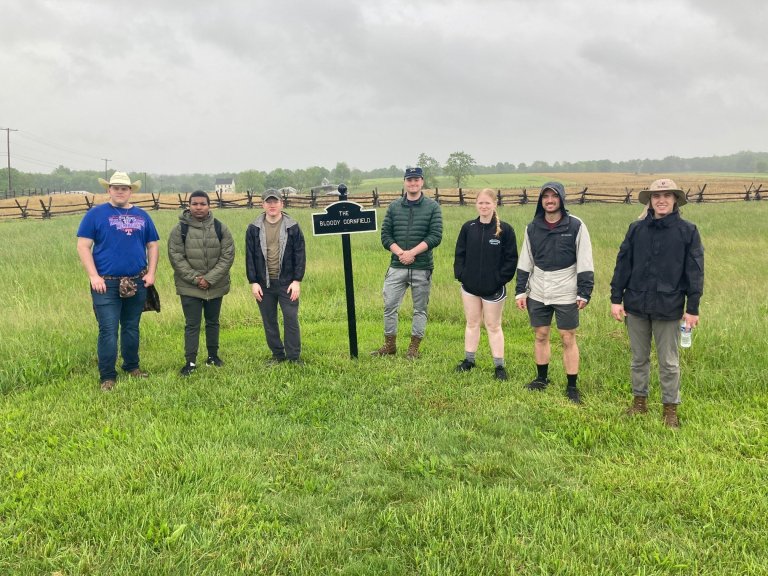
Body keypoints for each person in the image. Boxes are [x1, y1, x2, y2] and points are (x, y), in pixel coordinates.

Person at [610, 178, 704, 428]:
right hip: (636, 304)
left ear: (675, 200)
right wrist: (616, 299)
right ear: (650, 201)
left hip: (669, 306)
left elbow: (695, 271)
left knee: (669, 362)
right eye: (656, 196)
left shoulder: (687, 231)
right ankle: (639, 403)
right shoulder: (636, 229)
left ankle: (670, 409)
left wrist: (692, 308)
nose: (661, 200)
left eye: (667, 195)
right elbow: (623, 264)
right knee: (638, 358)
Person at [76, 171, 160, 391]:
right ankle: (107, 376)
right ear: (109, 190)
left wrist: (151, 273)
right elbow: (83, 246)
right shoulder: (95, 215)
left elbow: (153, 245)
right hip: (106, 283)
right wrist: (93, 276)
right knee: (108, 329)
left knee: (131, 326)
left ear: (131, 191)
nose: (120, 191)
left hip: (137, 281)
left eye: (124, 188)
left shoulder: (143, 216)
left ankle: (131, 366)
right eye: (116, 188)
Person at [515, 181, 594, 404]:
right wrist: (521, 291)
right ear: (541, 201)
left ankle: (572, 386)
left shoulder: (576, 226)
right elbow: (525, 260)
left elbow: (585, 260)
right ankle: (541, 379)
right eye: (545, 197)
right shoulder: (532, 228)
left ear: (561, 199)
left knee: (567, 337)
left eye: (554, 196)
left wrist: (584, 291)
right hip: (538, 289)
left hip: (567, 290)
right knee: (540, 334)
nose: (550, 201)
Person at [372, 166, 443, 359]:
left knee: (420, 309)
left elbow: (435, 236)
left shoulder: (432, 207)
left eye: (416, 179)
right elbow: (385, 235)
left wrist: (412, 253)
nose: (413, 183)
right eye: (409, 180)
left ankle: (413, 348)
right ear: (404, 182)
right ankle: (390, 345)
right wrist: (401, 253)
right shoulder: (395, 207)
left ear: (422, 182)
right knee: (390, 306)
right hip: (397, 266)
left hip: (422, 267)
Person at [168, 190, 235, 376]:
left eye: (202, 204)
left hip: (215, 285)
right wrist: (196, 279)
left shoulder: (221, 228)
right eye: (195, 204)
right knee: (192, 324)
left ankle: (213, 356)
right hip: (189, 287)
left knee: (213, 322)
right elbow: (176, 258)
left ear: (209, 205)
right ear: (189, 205)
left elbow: (227, 255)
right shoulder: (179, 230)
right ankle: (190, 362)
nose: (199, 207)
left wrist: (210, 279)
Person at [453, 188, 518, 380]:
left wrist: (500, 279)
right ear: (476, 204)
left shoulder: (505, 230)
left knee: (493, 326)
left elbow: (511, 259)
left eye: (487, 203)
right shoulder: (468, 227)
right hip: (469, 287)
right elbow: (460, 254)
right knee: (472, 323)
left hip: (493, 289)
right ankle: (469, 360)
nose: (483, 206)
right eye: (480, 202)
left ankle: (499, 366)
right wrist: (462, 275)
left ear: (495, 204)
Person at [245, 189, 306, 364]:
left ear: (281, 203)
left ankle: (294, 357)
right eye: (268, 202)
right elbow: (249, 256)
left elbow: (300, 254)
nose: (272, 205)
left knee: (290, 318)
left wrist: (296, 281)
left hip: (287, 282)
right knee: (269, 320)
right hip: (264, 283)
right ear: (262, 204)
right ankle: (277, 355)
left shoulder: (292, 226)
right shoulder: (253, 228)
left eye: (275, 201)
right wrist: (254, 282)